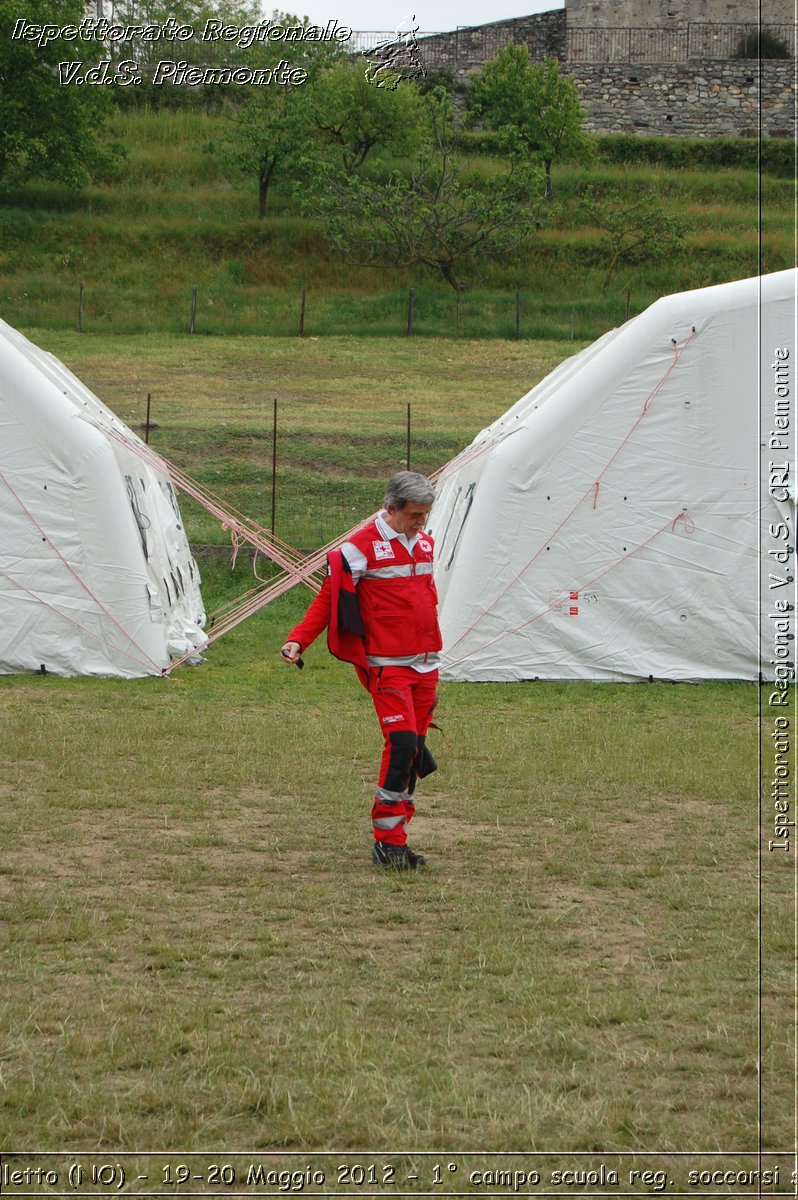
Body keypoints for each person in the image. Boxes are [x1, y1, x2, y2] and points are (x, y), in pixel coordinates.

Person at [281, 471, 441, 871]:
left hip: (427, 665)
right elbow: (328, 597)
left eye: (426, 514)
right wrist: (299, 638)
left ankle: (399, 838)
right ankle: (386, 843)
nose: (422, 522)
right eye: (415, 514)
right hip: (387, 666)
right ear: (391, 508)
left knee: (413, 751)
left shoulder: (425, 543)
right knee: (402, 745)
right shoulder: (359, 548)